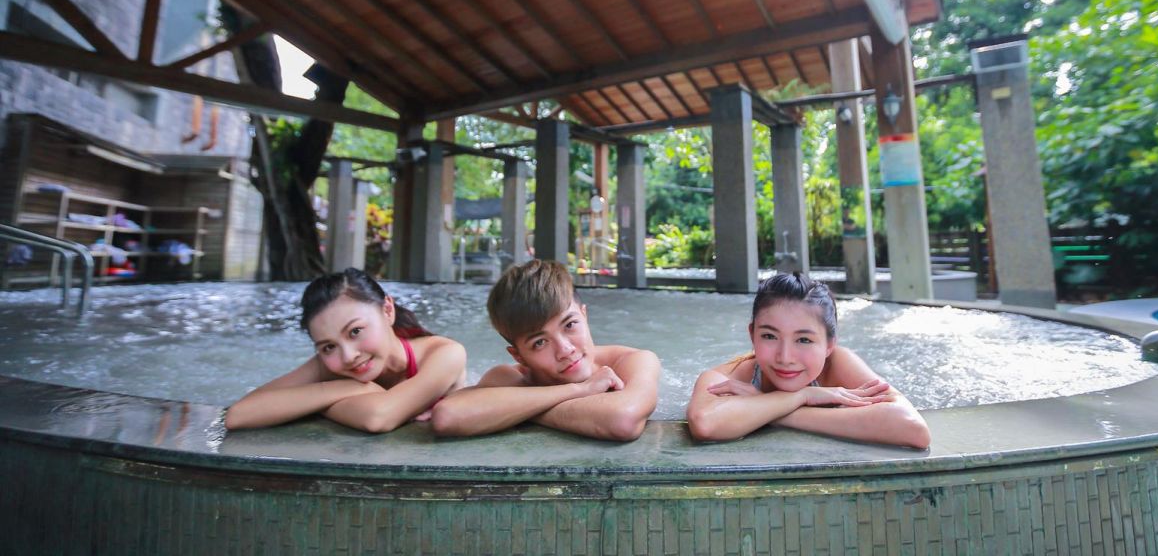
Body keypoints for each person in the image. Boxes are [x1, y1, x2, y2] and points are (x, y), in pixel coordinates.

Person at [686, 272, 930, 448]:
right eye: (769, 336)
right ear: (752, 335)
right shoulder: (727, 377)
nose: (785, 357)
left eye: (803, 340)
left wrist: (771, 409)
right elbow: (706, 425)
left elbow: (913, 428)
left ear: (830, 344)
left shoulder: (838, 364)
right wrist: (803, 396)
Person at [431, 259, 660, 441]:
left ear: (584, 315)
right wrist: (579, 390)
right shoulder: (511, 377)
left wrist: (516, 411)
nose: (565, 350)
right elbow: (447, 416)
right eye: (540, 342)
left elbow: (622, 420)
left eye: (570, 325)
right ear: (519, 356)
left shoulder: (631, 361)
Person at [226, 268, 466, 433]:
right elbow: (238, 415)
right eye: (328, 346)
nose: (348, 356)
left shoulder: (445, 354)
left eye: (355, 331)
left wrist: (313, 404)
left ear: (387, 311)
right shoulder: (330, 366)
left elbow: (379, 417)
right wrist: (346, 389)